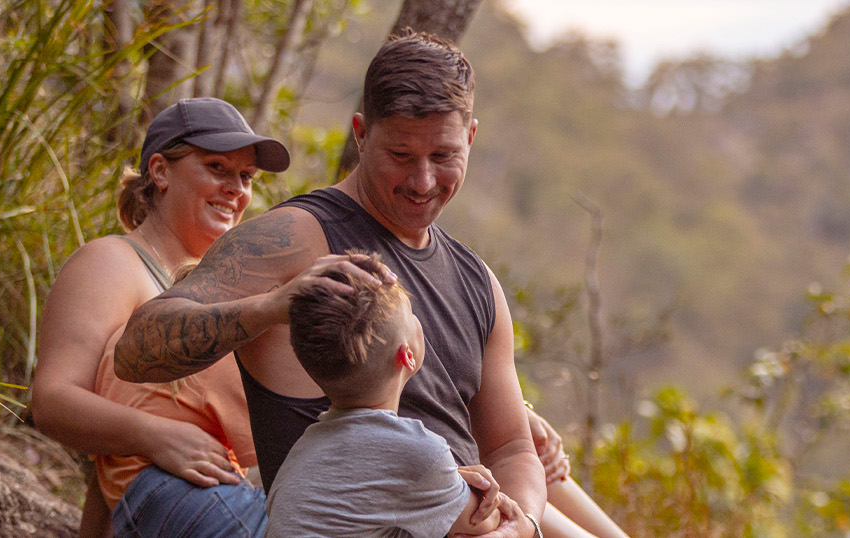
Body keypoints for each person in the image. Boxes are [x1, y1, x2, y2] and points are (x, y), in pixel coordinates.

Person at [114, 31, 542, 538]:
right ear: (361, 134)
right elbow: (135, 352)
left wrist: (520, 528)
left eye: (443, 156)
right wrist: (271, 308)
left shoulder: (477, 282)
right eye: (401, 156)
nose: (423, 181)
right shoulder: (295, 237)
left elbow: (513, 447)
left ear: (470, 138)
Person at [30, 97, 290, 538]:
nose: (237, 190)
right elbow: (52, 401)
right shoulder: (113, 262)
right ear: (160, 170)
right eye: (217, 168)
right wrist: (158, 436)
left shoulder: (225, 286)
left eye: (245, 177)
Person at [265, 253, 520, 538]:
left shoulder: (304, 450)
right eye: (412, 315)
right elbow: (484, 522)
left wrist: (446, 481)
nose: (417, 319)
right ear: (408, 355)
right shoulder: (419, 454)